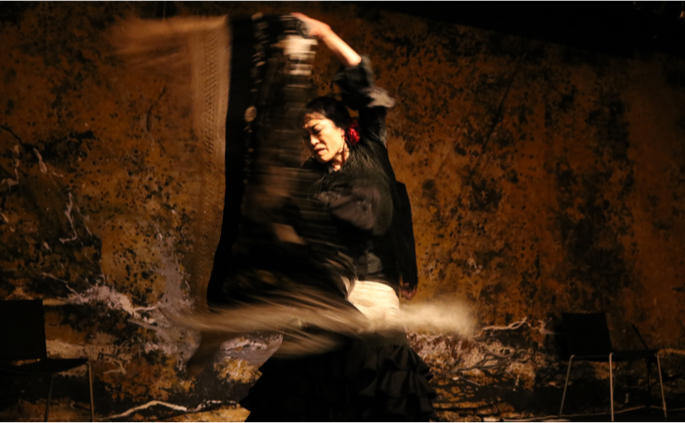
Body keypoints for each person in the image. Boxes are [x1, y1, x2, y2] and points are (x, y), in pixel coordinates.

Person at [239, 14, 436, 422]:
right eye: (306, 135)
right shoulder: (308, 179)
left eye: (317, 130)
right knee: (307, 383)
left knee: (380, 380)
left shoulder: (371, 149)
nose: (312, 142)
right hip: (327, 289)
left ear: (344, 128)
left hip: (372, 286)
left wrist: (325, 35)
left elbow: (364, 86)